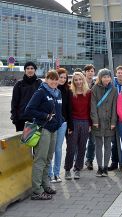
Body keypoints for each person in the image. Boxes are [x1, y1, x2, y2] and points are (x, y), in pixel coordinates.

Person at [25, 70, 63, 200]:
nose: (53, 81)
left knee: (48, 159)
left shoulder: (58, 93)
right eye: (50, 79)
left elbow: (58, 111)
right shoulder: (41, 92)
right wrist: (45, 116)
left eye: (55, 79)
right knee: (40, 160)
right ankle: (37, 190)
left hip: (54, 130)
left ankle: (46, 185)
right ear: (46, 79)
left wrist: (59, 121)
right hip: (43, 129)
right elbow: (29, 110)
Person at [90, 69, 118, 177]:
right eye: (104, 76)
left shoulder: (114, 90)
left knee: (107, 145)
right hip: (98, 121)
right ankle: (100, 167)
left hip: (109, 121)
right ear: (100, 77)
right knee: (98, 145)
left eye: (108, 76)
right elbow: (92, 106)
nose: (106, 79)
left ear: (111, 78)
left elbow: (115, 107)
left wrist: (113, 121)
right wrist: (95, 120)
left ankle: (105, 167)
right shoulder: (94, 89)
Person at [64, 72, 91, 180]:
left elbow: (90, 109)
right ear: (73, 81)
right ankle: (67, 169)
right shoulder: (70, 92)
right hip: (73, 122)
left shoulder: (88, 93)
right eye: (76, 80)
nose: (78, 82)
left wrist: (90, 123)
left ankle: (77, 169)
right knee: (71, 147)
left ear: (83, 80)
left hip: (85, 122)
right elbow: (68, 110)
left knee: (82, 147)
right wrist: (69, 126)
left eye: (80, 79)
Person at [48, 68, 71, 183]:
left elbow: (69, 109)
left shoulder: (67, 90)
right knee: (50, 149)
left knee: (58, 148)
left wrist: (69, 124)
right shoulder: (51, 90)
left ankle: (57, 173)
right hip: (51, 123)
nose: (62, 79)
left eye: (64, 77)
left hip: (63, 123)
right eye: (60, 77)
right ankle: (50, 173)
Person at [11, 61, 42, 132]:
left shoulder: (39, 83)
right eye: (27, 68)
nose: (30, 70)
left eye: (32, 68)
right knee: (22, 142)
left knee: (34, 142)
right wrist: (14, 118)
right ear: (25, 70)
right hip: (22, 119)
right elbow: (14, 102)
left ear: (35, 70)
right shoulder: (19, 84)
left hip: (36, 118)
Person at [109, 65, 122, 171]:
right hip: (114, 116)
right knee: (115, 142)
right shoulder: (112, 84)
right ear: (116, 74)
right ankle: (114, 162)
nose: (120, 74)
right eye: (118, 72)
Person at [84, 64, 96, 171]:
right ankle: (77, 158)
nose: (90, 73)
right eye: (88, 71)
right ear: (85, 72)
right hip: (82, 115)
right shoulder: (79, 82)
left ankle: (89, 160)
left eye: (92, 71)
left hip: (93, 116)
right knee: (81, 140)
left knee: (93, 140)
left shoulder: (97, 84)